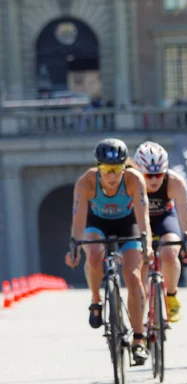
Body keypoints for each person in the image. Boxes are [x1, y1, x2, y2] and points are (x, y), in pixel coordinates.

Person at [65, 138, 153, 365]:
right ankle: (96, 300)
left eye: (117, 170)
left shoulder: (134, 180)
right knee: (93, 254)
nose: (112, 176)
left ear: (125, 167)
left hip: (128, 223)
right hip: (98, 223)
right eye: (106, 170)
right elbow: (78, 219)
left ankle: (139, 339)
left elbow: (143, 218)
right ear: (98, 167)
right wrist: (74, 247)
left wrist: (148, 244)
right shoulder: (87, 182)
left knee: (133, 276)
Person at [133, 141, 187, 322]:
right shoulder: (131, 182)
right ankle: (139, 318)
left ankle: (171, 295)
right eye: (149, 175)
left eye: (159, 175)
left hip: (164, 218)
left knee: (169, 253)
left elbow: (184, 214)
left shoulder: (175, 181)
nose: (154, 180)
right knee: (141, 263)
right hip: (139, 221)